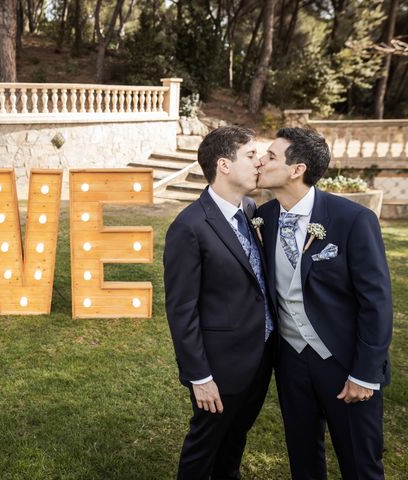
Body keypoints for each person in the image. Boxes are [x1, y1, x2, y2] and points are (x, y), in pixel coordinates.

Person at [256, 127, 393, 479]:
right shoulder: (264, 218)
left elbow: (376, 303)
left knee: (360, 464)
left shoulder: (353, 220)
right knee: (303, 461)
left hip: (345, 363)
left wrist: (364, 373)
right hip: (291, 362)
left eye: (270, 156)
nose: (261, 160)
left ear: (296, 169)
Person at [164, 125, 275, 479]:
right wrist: (200, 376)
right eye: (251, 155)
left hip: (261, 355)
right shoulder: (190, 227)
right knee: (204, 447)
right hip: (221, 364)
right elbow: (181, 310)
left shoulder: (250, 207)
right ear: (224, 165)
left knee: (235, 439)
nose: (260, 162)